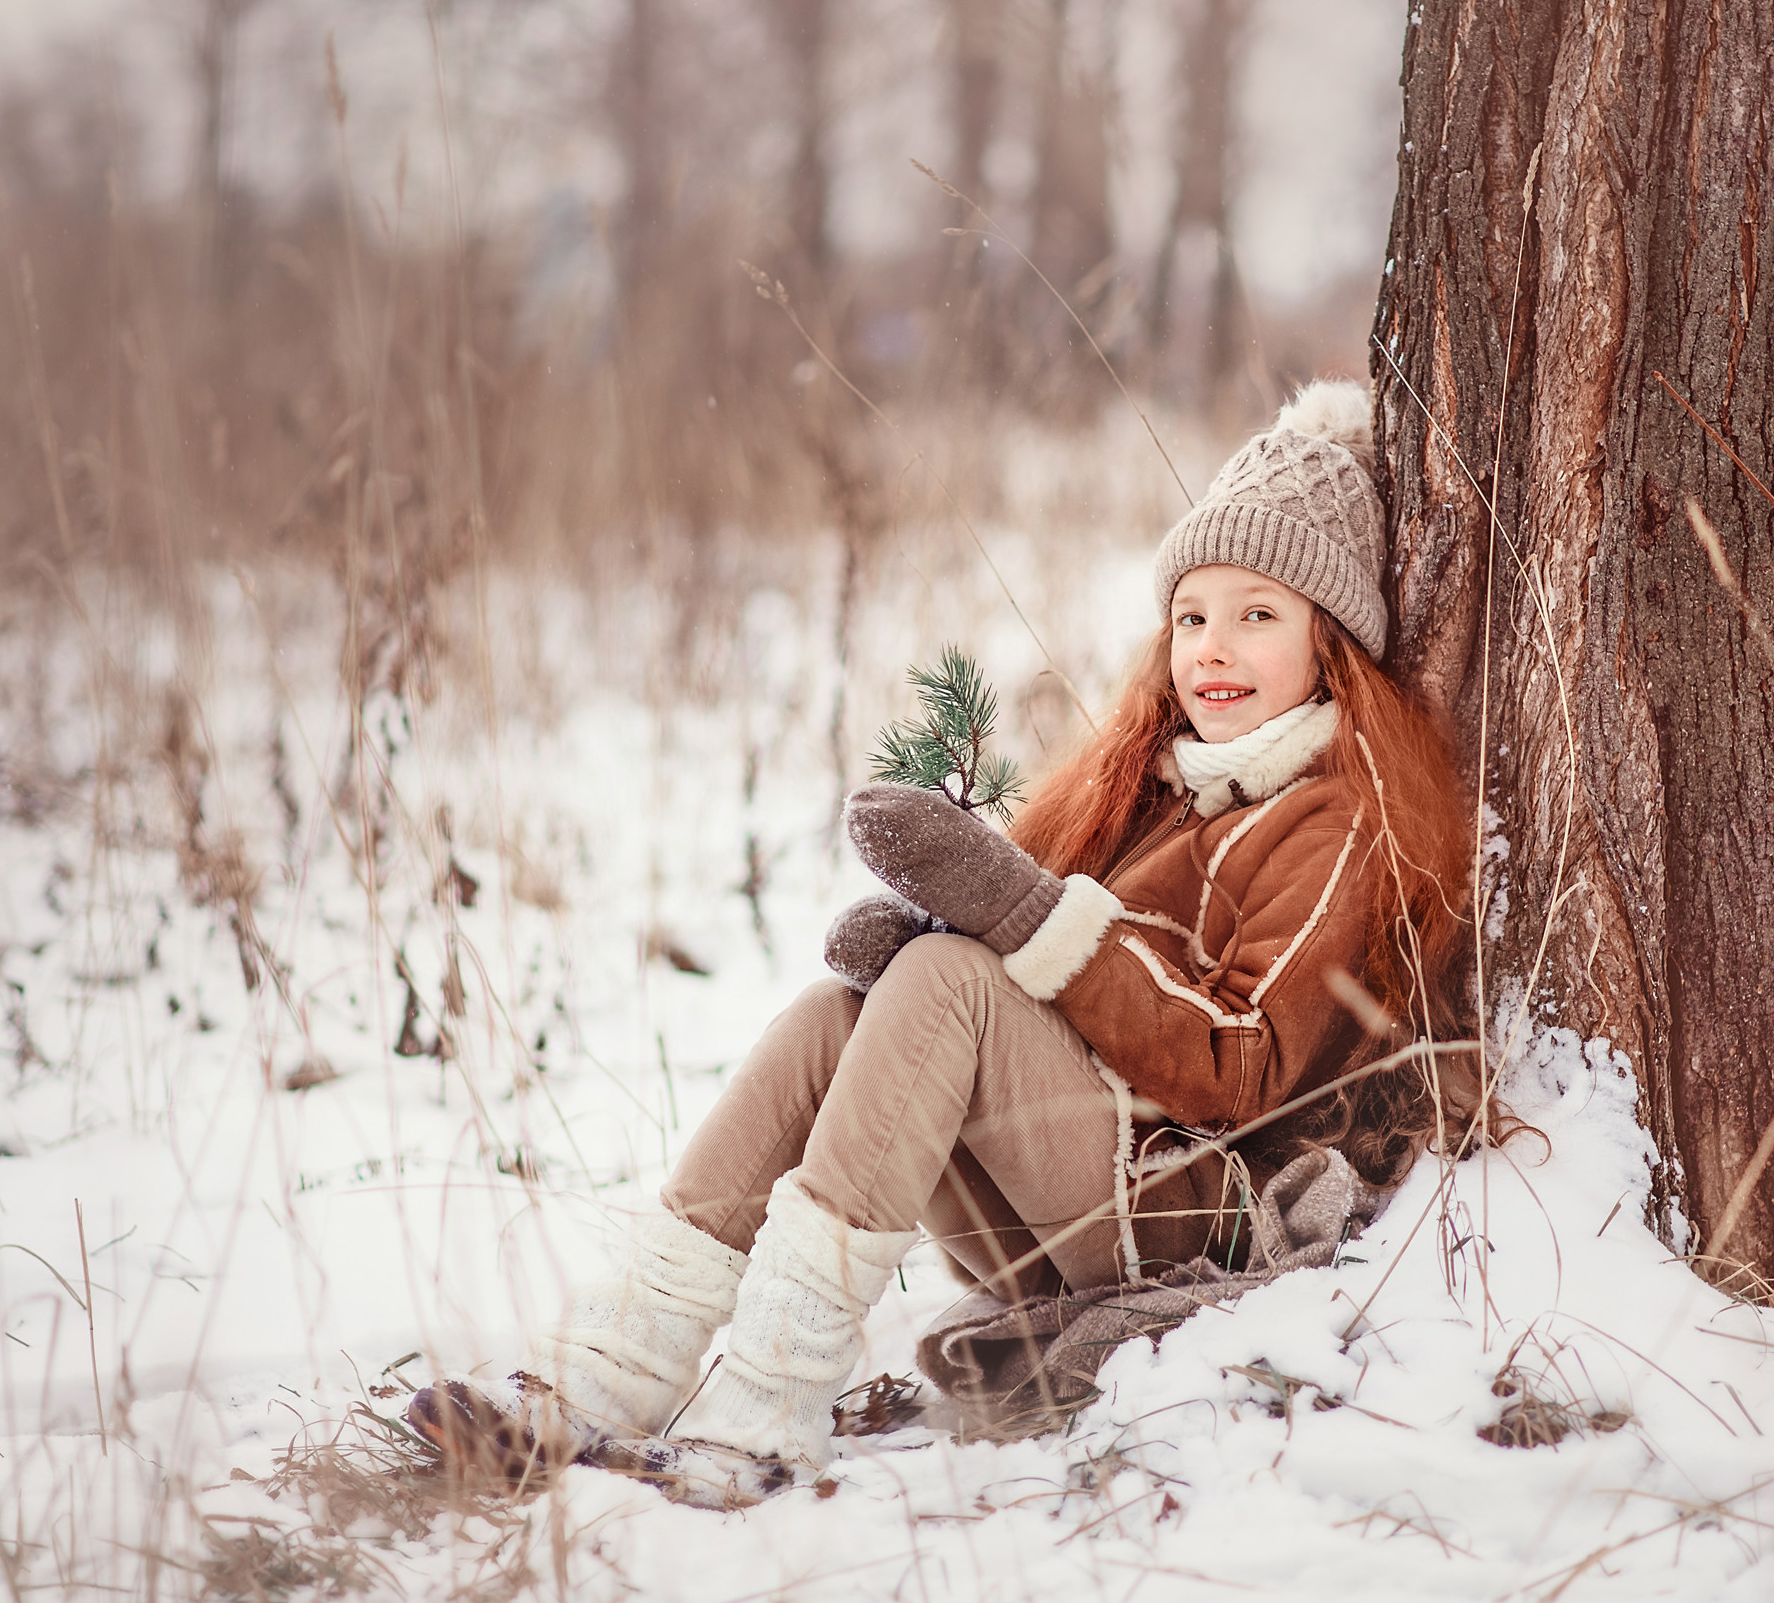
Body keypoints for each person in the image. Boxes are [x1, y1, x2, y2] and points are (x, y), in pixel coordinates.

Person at [408, 380, 1478, 1504]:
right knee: (840, 1015)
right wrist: (948, 937)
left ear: (1334, 640)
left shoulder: (1331, 818)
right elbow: (1024, 985)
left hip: (1182, 1204)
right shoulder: (1157, 791)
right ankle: (607, 1370)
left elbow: (1238, 1066)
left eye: (1259, 614)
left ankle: (770, 1399)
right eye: (1191, 614)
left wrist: (1020, 921)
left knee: (950, 981)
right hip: (1047, 1200)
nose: (1214, 647)